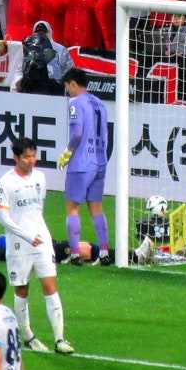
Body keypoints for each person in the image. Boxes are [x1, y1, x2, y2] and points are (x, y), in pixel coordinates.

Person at [0, 137, 74, 355]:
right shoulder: (6, 182)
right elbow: (2, 217)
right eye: (26, 157)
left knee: (50, 286)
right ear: (16, 158)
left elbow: (36, 211)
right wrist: (27, 235)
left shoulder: (40, 178)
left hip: (42, 241)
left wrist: (37, 235)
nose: (31, 161)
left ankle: (60, 339)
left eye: (33, 155)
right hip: (19, 244)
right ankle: (28, 336)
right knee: (22, 289)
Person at [57, 68, 110, 266]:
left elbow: (77, 132)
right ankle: (104, 253)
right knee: (96, 208)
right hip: (100, 161)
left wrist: (67, 151)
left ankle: (76, 254)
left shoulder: (75, 103)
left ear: (72, 83)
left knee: (72, 208)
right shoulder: (100, 104)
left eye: (67, 88)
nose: (68, 92)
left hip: (81, 162)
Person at [0, 223, 155, 265]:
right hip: (32, 248)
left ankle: (132, 255)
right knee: (82, 249)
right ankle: (136, 257)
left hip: (31, 241)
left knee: (81, 247)